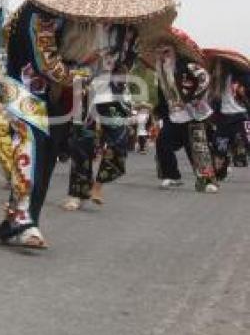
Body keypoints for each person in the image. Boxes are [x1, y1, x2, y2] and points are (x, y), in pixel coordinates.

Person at [0, 0, 175, 248]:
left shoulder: (109, 23)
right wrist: (84, 76)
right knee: (31, 149)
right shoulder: (39, 13)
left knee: (48, 158)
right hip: (26, 85)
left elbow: (118, 64)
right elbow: (46, 64)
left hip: (65, 96)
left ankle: (19, 221)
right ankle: (22, 222)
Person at [61, 23, 138, 211]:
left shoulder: (128, 31)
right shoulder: (80, 25)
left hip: (112, 91)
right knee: (81, 141)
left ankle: (98, 185)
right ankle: (77, 193)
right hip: (83, 86)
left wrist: (119, 64)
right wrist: (89, 58)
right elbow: (66, 56)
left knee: (120, 138)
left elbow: (129, 62)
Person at [145, 28, 219, 193]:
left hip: (192, 114)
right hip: (174, 116)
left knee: (197, 147)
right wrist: (159, 111)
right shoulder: (161, 71)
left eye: (166, 52)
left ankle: (206, 181)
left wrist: (193, 99)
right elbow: (163, 95)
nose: (163, 56)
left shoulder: (186, 64)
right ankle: (172, 176)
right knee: (162, 142)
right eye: (160, 53)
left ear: (174, 51)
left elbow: (205, 78)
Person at [204, 48, 250, 181]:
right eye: (217, 63)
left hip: (242, 116)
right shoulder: (215, 81)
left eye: (222, 62)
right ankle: (220, 171)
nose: (219, 66)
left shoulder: (242, 77)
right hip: (223, 118)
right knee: (219, 148)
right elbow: (210, 100)